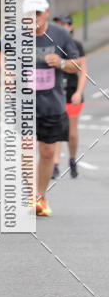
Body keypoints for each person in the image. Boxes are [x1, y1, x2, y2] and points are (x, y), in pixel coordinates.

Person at [0, 0, 80, 216]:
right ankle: (33, 195)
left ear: (47, 13)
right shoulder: (16, 35)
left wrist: (60, 62)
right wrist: (6, 73)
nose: (34, 18)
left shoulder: (60, 35)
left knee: (49, 150)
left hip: (53, 103)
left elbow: (76, 65)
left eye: (38, 13)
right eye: (29, 14)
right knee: (29, 145)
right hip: (25, 101)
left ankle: (41, 196)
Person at [51, 14, 86, 179]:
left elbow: (83, 72)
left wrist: (79, 92)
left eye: (64, 24)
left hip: (72, 94)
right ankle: (55, 164)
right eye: (58, 24)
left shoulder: (76, 46)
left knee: (71, 133)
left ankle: (72, 159)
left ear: (70, 27)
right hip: (56, 94)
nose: (61, 27)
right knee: (58, 130)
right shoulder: (52, 46)